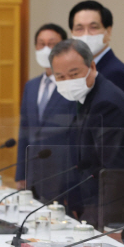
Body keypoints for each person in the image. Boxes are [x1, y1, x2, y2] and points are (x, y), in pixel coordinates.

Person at [49, 39, 124, 244]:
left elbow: (115, 171)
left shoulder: (106, 103)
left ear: (92, 67)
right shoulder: (89, 96)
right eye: (60, 76)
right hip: (101, 202)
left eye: (74, 74)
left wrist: (112, 227)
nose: (67, 81)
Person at [16, 23, 76, 201]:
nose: (46, 49)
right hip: (33, 173)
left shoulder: (73, 85)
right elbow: (24, 131)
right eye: (41, 44)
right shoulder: (31, 86)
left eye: (52, 43)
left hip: (63, 174)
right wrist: (21, 172)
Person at [69, 0, 124, 105]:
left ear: (108, 32)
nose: (86, 34)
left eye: (93, 27)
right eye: (79, 29)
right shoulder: (74, 71)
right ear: (71, 33)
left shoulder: (116, 73)